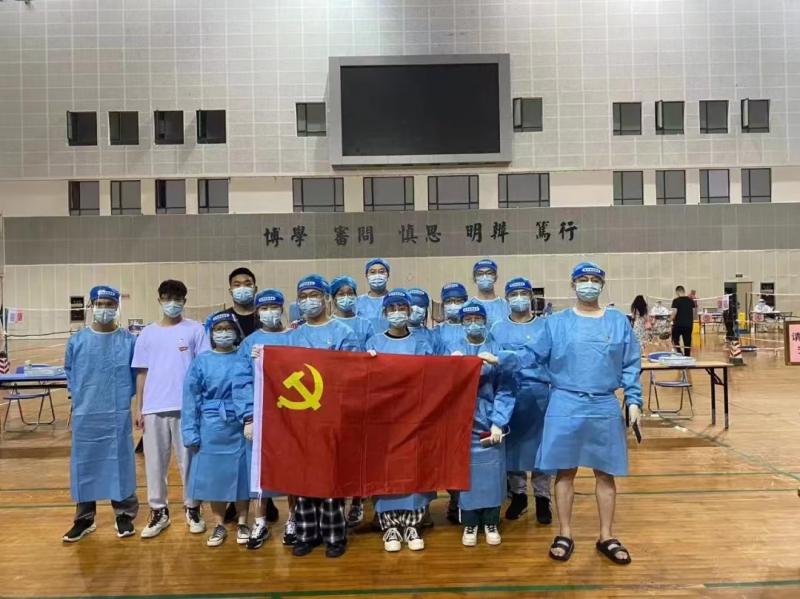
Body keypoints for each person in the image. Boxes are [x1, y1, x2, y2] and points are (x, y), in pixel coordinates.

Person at [522, 261, 642, 565]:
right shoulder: (556, 323)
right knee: (565, 471)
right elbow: (531, 356)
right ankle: (564, 533)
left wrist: (633, 399)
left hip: (603, 403)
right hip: (565, 403)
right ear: (573, 283)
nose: (589, 284)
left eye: (594, 279)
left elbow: (631, 363)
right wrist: (499, 358)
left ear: (602, 284)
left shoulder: (617, 322)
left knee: (605, 472)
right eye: (583, 279)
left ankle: (606, 536)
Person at [132, 279, 209, 538]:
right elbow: (141, 373)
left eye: (177, 298)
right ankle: (158, 511)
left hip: (187, 408)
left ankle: (193, 508)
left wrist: (201, 405)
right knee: (154, 464)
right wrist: (139, 407)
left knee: (190, 462)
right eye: (167, 298)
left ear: (184, 301)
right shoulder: (147, 333)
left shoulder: (196, 330)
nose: (172, 303)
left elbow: (204, 369)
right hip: (154, 407)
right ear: (159, 300)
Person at [290, 274, 359, 558]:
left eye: (314, 295)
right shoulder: (293, 335)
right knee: (303, 476)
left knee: (330, 476)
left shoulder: (343, 332)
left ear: (326, 298)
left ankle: (334, 535)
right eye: (303, 297)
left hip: (332, 415)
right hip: (301, 417)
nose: (309, 301)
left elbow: (353, 373)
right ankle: (306, 533)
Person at [62, 285, 138, 542]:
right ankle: (84, 518)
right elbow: (70, 372)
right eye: (99, 304)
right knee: (85, 464)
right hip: (86, 414)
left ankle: (124, 514)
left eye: (109, 304)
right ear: (91, 306)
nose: (104, 308)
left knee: (120, 461)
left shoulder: (128, 341)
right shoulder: (77, 341)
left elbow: (135, 376)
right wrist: (81, 398)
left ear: (117, 307)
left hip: (117, 414)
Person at [365, 289, 436, 552]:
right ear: (384, 313)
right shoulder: (373, 343)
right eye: (392, 309)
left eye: (401, 308)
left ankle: (413, 524)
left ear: (409, 311)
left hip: (415, 416)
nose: (397, 313)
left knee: (413, 468)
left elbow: (434, 378)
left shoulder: (421, 344)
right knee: (385, 470)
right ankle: (390, 526)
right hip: (384, 418)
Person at [449, 301, 515, 547]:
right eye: (468, 320)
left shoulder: (496, 348)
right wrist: (448, 367)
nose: (473, 324)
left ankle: (491, 521)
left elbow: (506, 388)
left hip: (489, 423)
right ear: (461, 323)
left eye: (477, 319)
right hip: (461, 423)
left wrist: (499, 422)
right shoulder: (453, 348)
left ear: (485, 321)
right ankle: (469, 522)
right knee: (466, 476)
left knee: (492, 474)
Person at [182, 312, 250, 547]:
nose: (224, 333)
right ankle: (219, 524)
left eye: (228, 328)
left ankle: (243, 521)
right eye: (218, 329)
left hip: (240, 423)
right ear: (211, 333)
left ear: (236, 331)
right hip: (210, 426)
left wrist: (251, 419)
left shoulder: (244, 358)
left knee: (241, 475)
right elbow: (190, 397)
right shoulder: (201, 361)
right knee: (214, 477)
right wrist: (190, 431)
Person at [233, 289, 293, 549]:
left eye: (274, 307)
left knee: (292, 468)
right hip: (260, 414)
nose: (270, 313)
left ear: (282, 308)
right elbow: (241, 380)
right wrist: (248, 416)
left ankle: (293, 519)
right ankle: (260, 522)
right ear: (257, 313)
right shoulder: (250, 343)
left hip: (291, 414)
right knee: (257, 469)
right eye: (264, 309)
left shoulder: (294, 338)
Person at [489, 277, 552, 525]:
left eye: (523, 293)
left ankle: (543, 498)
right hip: (508, 394)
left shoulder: (545, 327)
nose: (519, 298)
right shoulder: (497, 328)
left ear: (531, 297)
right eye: (514, 294)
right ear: (507, 299)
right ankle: (518, 496)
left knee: (541, 448)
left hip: (539, 393)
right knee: (512, 448)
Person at [331, 275, 375, 351]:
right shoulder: (328, 324)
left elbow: (372, 349)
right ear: (334, 298)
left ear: (355, 296)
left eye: (350, 293)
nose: (346, 297)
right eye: (341, 294)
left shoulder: (365, 324)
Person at [470, 259, 510, 326]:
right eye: (480, 274)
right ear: (474, 278)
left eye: (489, 273)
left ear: (495, 277)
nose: (485, 277)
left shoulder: (506, 306)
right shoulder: (468, 305)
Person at [222, 267, 259, 337]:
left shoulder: (264, 316)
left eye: (248, 284)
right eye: (237, 285)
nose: (242, 288)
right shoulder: (223, 318)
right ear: (230, 291)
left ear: (255, 289)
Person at [356, 258, 391, 329]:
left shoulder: (395, 299)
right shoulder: (358, 302)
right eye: (372, 272)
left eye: (381, 272)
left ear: (388, 275)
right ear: (366, 276)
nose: (377, 275)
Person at [435, 282, 469, 355]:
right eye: (448, 301)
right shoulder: (438, 330)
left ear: (466, 303)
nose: (453, 305)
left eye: (458, 301)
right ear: (443, 305)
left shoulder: (473, 328)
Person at [407, 287, 442, 355]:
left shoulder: (433, 336)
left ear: (426, 309)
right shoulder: (394, 335)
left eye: (420, 305)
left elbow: (442, 357)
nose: (416, 309)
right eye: (412, 305)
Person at [671, 286, 695, 357]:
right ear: (684, 291)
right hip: (688, 325)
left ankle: (680, 354)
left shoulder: (676, 300)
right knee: (687, 342)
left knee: (674, 340)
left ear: (677, 292)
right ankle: (687, 357)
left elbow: (674, 313)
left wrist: (669, 320)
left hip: (678, 325)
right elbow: (694, 313)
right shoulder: (691, 301)